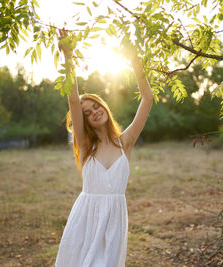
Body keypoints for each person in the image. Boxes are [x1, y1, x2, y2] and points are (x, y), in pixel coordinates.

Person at [55, 29, 154, 267]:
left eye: (96, 106)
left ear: (105, 107)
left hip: (114, 220)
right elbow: (72, 100)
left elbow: (147, 98)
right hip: (86, 218)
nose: (93, 112)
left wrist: (134, 61)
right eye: (87, 113)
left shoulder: (125, 141)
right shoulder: (86, 145)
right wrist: (68, 57)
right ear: (85, 121)